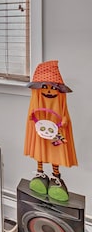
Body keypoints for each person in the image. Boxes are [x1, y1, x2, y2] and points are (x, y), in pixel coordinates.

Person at [24, 60, 77, 202]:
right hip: (40, 128)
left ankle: (55, 176)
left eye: (52, 88)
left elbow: (64, 114)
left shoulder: (61, 104)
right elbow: (31, 115)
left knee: (55, 152)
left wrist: (64, 121)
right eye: (44, 87)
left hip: (56, 130)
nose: (48, 91)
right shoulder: (36, 102)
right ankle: (40, 173)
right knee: (39, 151)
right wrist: (32, 116)